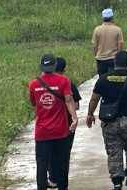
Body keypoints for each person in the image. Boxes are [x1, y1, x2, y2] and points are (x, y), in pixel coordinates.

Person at [86, 50, 127, 190]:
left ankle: (117, 183)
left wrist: (90, 114)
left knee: (114, 152)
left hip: (110, 122)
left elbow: (94, 99)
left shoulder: (103, 79)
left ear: (114, 63)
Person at [28, 53, 77, 190]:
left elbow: (33, 102)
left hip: (42, 132)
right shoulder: (64, 81)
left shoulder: (33, 84)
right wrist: (74, 118)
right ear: (55, 66)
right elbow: (69, 100)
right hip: (60, 131)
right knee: (62, 163)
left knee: (42, 165)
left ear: (41, 66)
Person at [47, 57, 81, 189]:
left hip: (49, 123)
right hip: (67, 123)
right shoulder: (68, 82)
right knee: (64, 154)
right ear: (64, 69)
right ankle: (62, 183)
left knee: (50, 151)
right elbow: (76, 105)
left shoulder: (43, 83)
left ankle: (52, 178)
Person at [92, 8, 124, 77]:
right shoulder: (118, 29)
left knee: (102, 79)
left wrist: (96, 55)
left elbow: (94, 45)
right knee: (113, 79)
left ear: (102, 18)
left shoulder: (97, 29)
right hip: (113, 59)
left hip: (101, 59)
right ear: (112, 18)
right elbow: (120, 45)